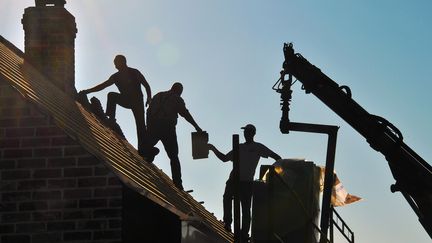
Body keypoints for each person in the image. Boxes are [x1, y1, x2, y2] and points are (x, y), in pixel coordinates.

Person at [208, 124, 281, 242]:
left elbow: (276, 157)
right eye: (245, 132)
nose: (245, 134)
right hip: (233, 180)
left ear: (252, 133)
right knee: (228, 198)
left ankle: (244, 234)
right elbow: (224, 158)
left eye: (247, 132)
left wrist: (276, 173)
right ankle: (228, 222)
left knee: (246, 209)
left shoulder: (258, 147)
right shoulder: (239, 147)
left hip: (246, 182)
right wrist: (212, 148)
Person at [80, 55, 152, 155]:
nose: (115, 66)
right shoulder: (116, 77)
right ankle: (111, 118)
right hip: (126, 100)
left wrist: (149, 98)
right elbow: (103, 85)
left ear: (122, 62)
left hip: (137, 102)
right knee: (112, 95)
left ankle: (144, 149)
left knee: (140, 125)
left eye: (116, 64)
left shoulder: (135, 72)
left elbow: (146, 85)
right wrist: (88, 91)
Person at [145, 82, 202, 190]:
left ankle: (150, 152)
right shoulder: (177, 99)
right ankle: (178, 184)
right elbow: (185, 114)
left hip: (154, 126)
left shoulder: (158, 95)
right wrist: (196, 127)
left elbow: (148, 112)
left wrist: (148, 127)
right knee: (174, 156)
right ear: (179, 91)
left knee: (144, 147)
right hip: (167, 129)